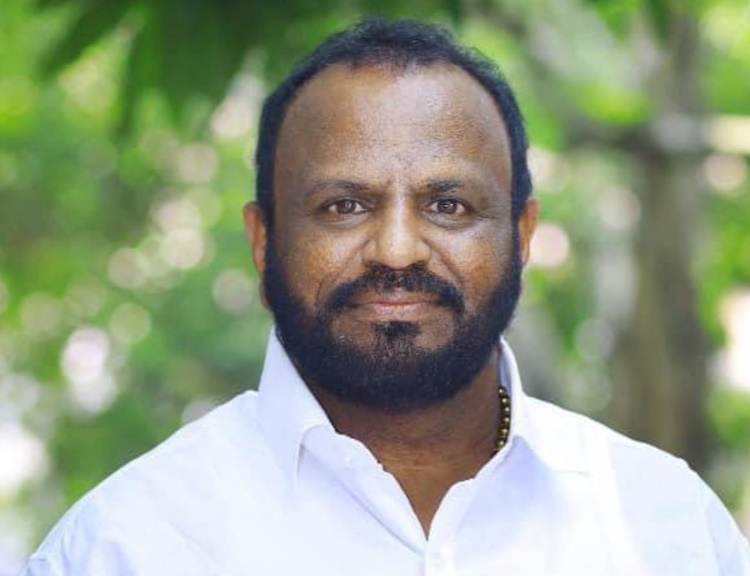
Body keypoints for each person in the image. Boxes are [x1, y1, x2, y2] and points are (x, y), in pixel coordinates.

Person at [22, 18, 750, 576]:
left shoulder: (669, 524)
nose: (397, 249)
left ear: (522, 235)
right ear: (263, 240)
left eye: (449, 206)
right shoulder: (123, 546)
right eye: (343, 206)